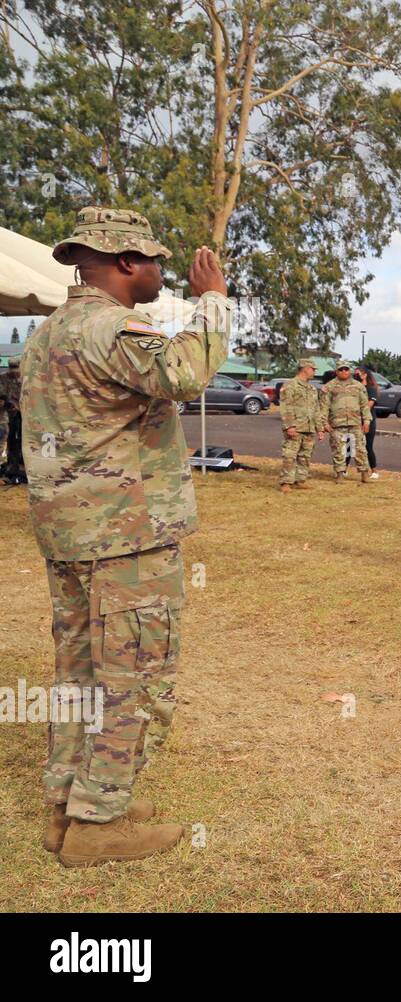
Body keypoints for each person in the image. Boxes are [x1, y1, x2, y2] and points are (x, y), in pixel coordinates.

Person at [23, 206, 230, 864]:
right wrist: (215, 305)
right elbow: (185, 374)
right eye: (155, 261)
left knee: (80, 674)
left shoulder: (50, 332)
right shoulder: (113, 325)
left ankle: (70, 806)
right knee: (134, 678)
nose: (162, 271)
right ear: (124, 264)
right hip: (126, 538)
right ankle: (101, 820)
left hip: (70, 535)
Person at [277, 358, 324, 493]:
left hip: (309, 428)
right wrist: (289, 426)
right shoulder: (290, 385)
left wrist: (319, 428)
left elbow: (316, 409)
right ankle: (286, 482)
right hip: (296, 427)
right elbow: (286, 407)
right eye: (313, 369)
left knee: (305, 456)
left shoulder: (312, 389)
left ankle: (300, 480)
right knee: (290, 455)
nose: (314, 372)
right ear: (305, 368)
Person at [320, 362, 372, 482]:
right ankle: (340, 474)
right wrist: (324, 423)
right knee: (338, 449)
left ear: (350, 371)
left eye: (346, 369)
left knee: (360, 449)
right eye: (341, 369)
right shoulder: (329, 387)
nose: (344, 372)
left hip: (355, 423)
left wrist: (367, 421)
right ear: (336, 371)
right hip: (336, 424)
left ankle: (364, 473)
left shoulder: (359, 386)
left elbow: (364, 405)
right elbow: (323, 406)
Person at [355, 364, 381, 480]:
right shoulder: (354, 387)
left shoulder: (371, 388)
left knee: (368, 446)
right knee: (350, 445)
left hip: (368, 420)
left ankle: (374, 470)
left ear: (365, 375)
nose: (355, 376)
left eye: (358, 374)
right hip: (355, 419)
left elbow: (369, 405)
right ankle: (343, 469)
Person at [0, 355, 22, 484]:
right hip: (8, 415)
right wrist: (10, 405)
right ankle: (12, 467)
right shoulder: (2, 378)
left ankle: (20, 466)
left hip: (24, 414)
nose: (14, 373)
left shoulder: (25, 378)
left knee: (23, 441)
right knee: (11, 441)